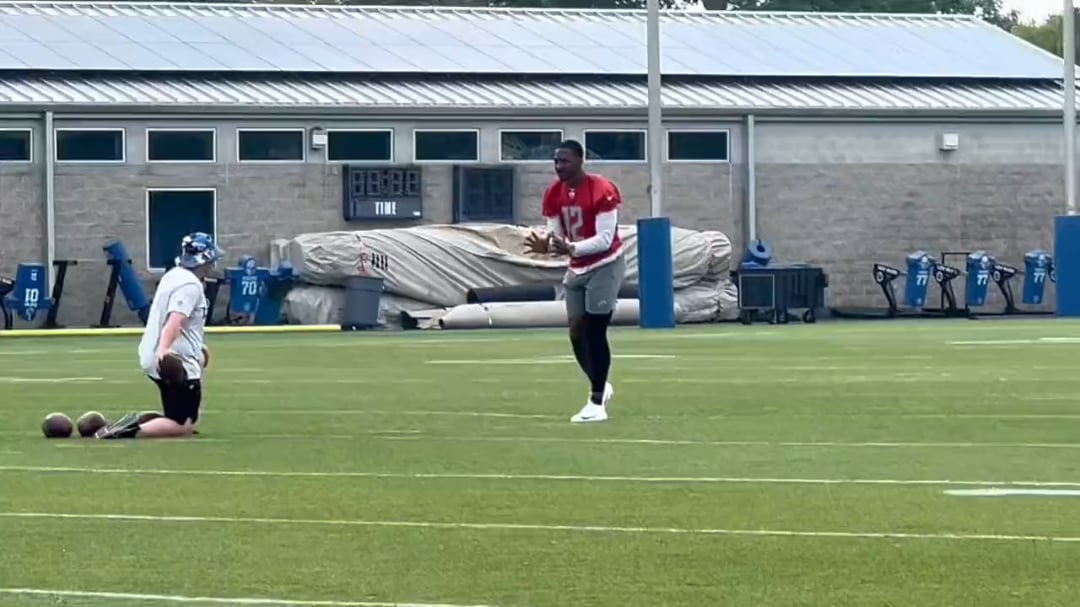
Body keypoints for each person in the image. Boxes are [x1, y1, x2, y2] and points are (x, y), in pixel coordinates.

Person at [525, 139, 626, 423]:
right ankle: (600, 384)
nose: (559, 167)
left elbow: (605, 240)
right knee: (575, 333)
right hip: (577, 267)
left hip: (605, 264)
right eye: (556, 161)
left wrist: (571, 248)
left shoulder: (601, 190)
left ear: (581, 160)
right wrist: (550, 245)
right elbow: (556, 235)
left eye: (565, 161)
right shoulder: (554, 193)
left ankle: (596, 401)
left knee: (595, 331)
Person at [95, 232, 221, 439]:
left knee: (178, 416)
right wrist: (164, 351)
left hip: (155, 354)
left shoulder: (173, 275)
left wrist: (197, 348)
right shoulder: (190, 285)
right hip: (174, 360)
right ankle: (124, 432)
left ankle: (129, 423)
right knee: (183, 425)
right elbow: (175, 320)